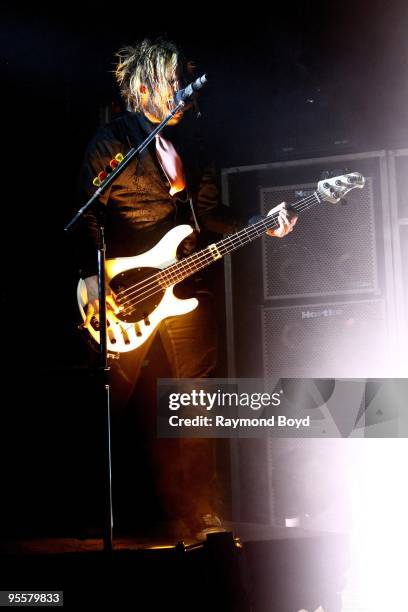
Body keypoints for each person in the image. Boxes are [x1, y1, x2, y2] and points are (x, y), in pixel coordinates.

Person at [75, 38, 298, 540]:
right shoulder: (110, 143)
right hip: (123, 291)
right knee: (111, 395)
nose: (182, 92)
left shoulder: (193, 146)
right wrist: (94, 276)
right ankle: (91, 514)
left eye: (183, 81)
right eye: (173, 82)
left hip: (185, 282)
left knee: (196, 395)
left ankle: (200, 512)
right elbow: (89, 215)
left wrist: (262, 221)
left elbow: (212, 215)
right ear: (148, 86)